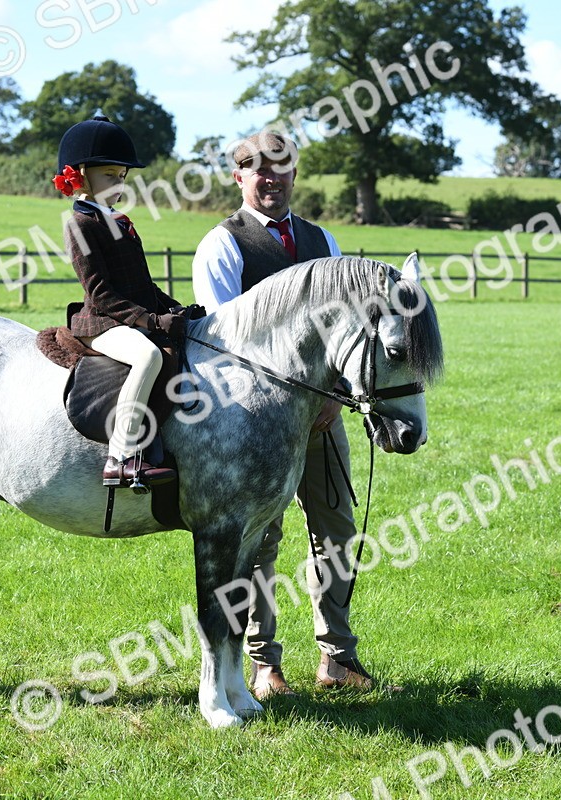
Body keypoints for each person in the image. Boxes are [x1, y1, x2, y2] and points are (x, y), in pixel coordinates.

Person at [192, 131, 385, 698]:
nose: (271, 179)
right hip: (252, 426)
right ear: (240, 177)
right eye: (259, 171)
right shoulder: (222, 245)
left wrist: (331, 395)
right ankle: (263, 664)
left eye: (281, 170)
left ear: (294, 175)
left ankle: (338, 658)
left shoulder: (323, 239)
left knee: (338, 533)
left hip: (324, 414)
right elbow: (223, 338)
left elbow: (346, 327)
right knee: (260, 540)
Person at [56, 115, 187, 488]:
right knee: (148, 355)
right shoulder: (78, 226)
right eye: (111, 175)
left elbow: (141, 284)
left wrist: (174, 308)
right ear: (81, 175)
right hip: (100, 322)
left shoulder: (118, 221)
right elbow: (100, 292)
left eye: (122, 177)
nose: (119, 184)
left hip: (127, 316)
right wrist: (150, 322)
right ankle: (122, 456)